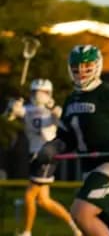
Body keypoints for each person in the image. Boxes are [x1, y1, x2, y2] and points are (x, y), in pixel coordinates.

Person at [32, 45, 109, 235]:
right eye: (76, 66)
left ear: (97, 65)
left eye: (87, 65)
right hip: (90, 170)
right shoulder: (71, 100)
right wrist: (52, 147)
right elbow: (65, 137)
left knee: (81, 213)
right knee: (108, 227)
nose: (81, 70)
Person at [6, 80, 81, 236]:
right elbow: (9, 117)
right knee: (43, 200)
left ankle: (27, 232)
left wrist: (55, 110)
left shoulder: (53, 110)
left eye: (42, 92)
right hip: (34, 156)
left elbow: (64, 122)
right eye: (35, 92)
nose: (38, 95)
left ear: (49, 93)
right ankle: (75, 226)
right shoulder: (27, 109)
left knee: (29, 195)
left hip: (46, 156)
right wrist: (12, 107)